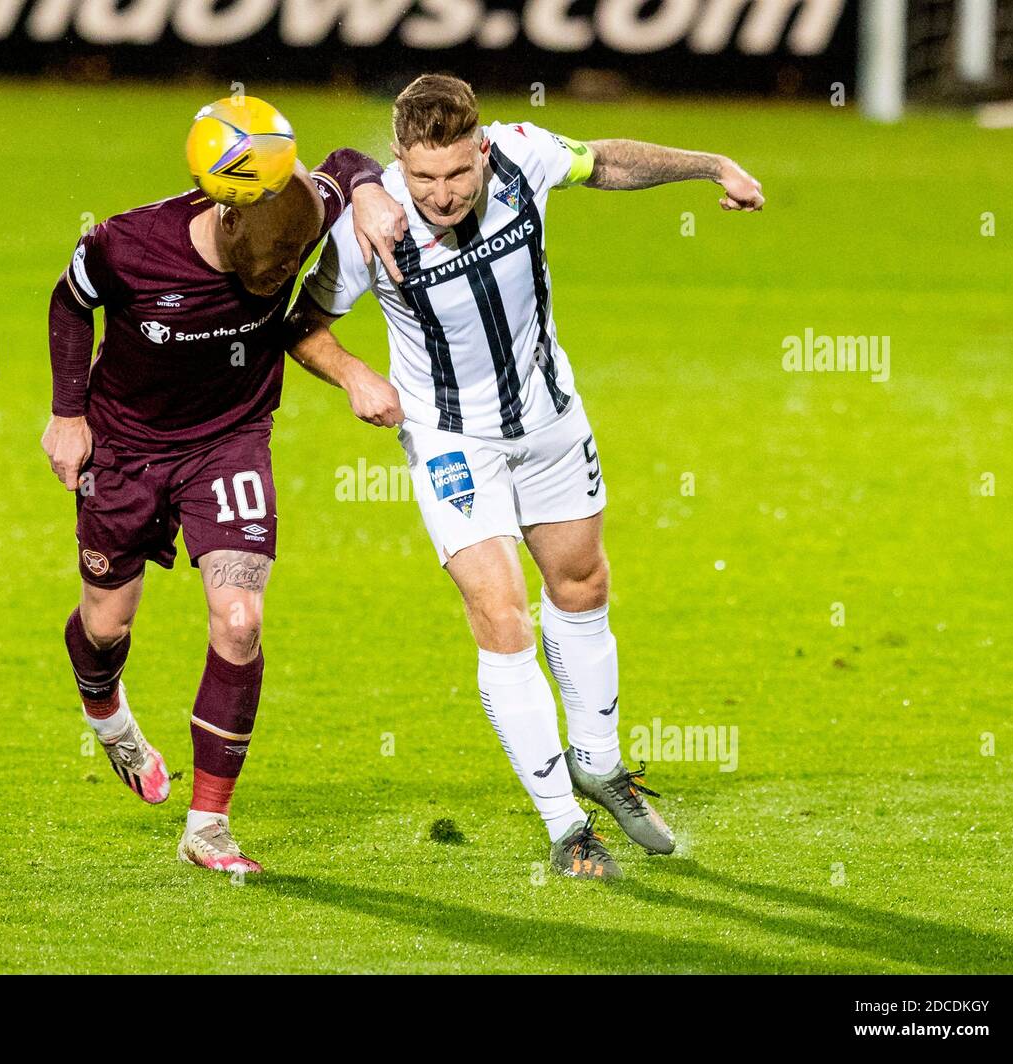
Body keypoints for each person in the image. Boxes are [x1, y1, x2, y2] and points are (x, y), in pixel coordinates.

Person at [286, 74, 763, 880]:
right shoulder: (372, 226)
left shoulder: (521, 157)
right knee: (501, 615)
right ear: (399, 160)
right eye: (422, 176)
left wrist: (710, 164)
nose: (440, 194)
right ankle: (563, 825)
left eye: (457, 174)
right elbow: (304, 326)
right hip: (449, 442)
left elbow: (604, 161)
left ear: (481, 149)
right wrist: (356, 375)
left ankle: (601, 766)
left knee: (581, 587)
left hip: (548, 418)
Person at [43, 141, 407, 875]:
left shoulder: (298, 211)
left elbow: (343, 160)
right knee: (106, 624)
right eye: (274, 265)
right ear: (229, 221)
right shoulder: (125, 244)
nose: (284, 278)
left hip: (230, 442)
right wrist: (67, 414)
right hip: (125, 447)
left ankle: (208, 826)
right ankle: (106, 711)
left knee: (240, 620)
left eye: (293, 262)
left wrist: (367, 188)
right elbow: (70, 301)